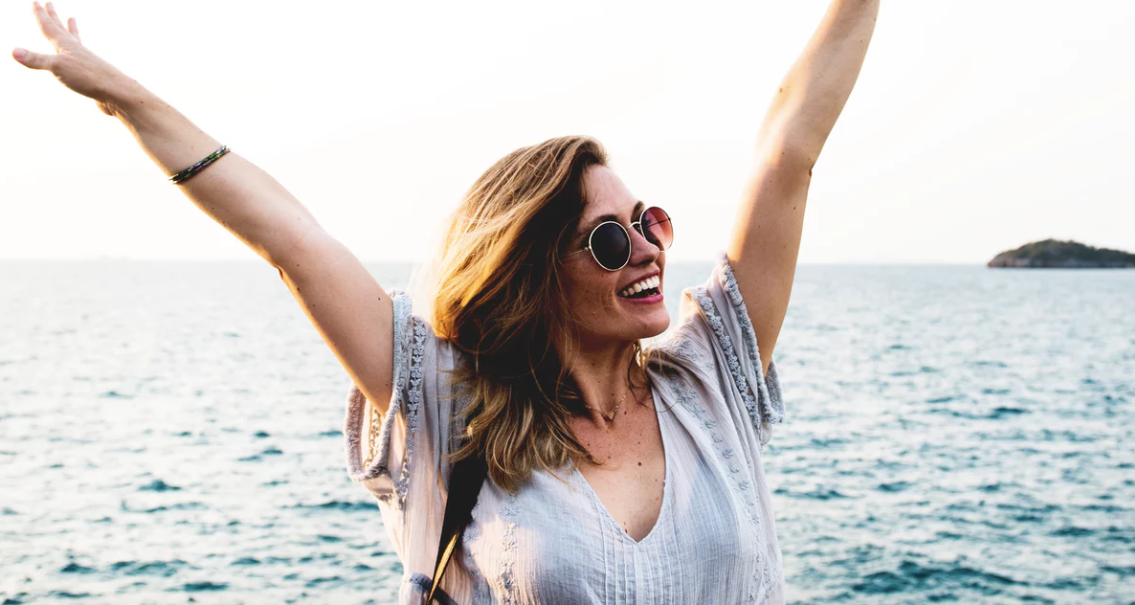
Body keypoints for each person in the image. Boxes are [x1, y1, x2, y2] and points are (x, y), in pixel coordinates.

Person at [13, 0, 878, 602]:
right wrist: (124, 97)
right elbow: (294, 243)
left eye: (647, 219)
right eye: (610, 238)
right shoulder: (449, 411)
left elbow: (786, 151)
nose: (648, 246)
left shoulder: (709, 383)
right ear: (535, 272)